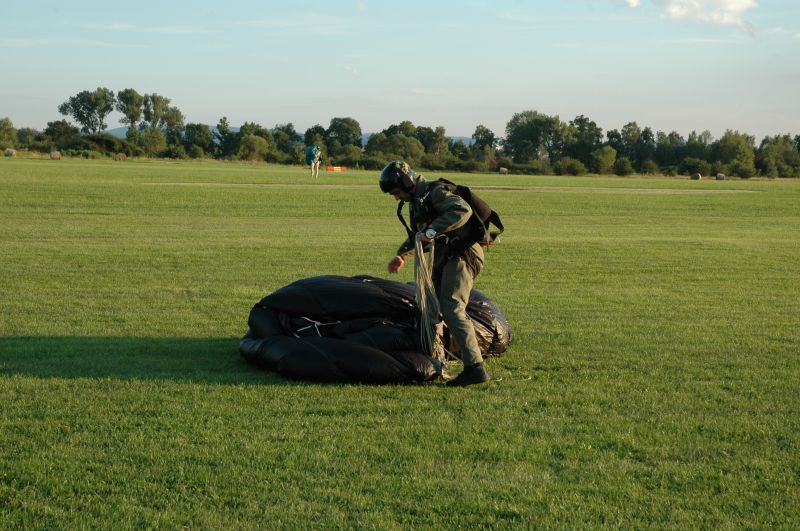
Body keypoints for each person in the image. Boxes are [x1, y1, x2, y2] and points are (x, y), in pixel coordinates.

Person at [379, 160, 490, 387]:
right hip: (446, 255)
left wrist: (431, 231)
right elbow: (418, 236)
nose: (396, 197)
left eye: (396, 192)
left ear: (407, 183)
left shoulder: (435, 191)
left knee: (451, 307)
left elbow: (462, 210)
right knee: (432, 305)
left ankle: (475, 368)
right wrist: (402, 255)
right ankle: (434, 357)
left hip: (463, 254)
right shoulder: (417, 201)